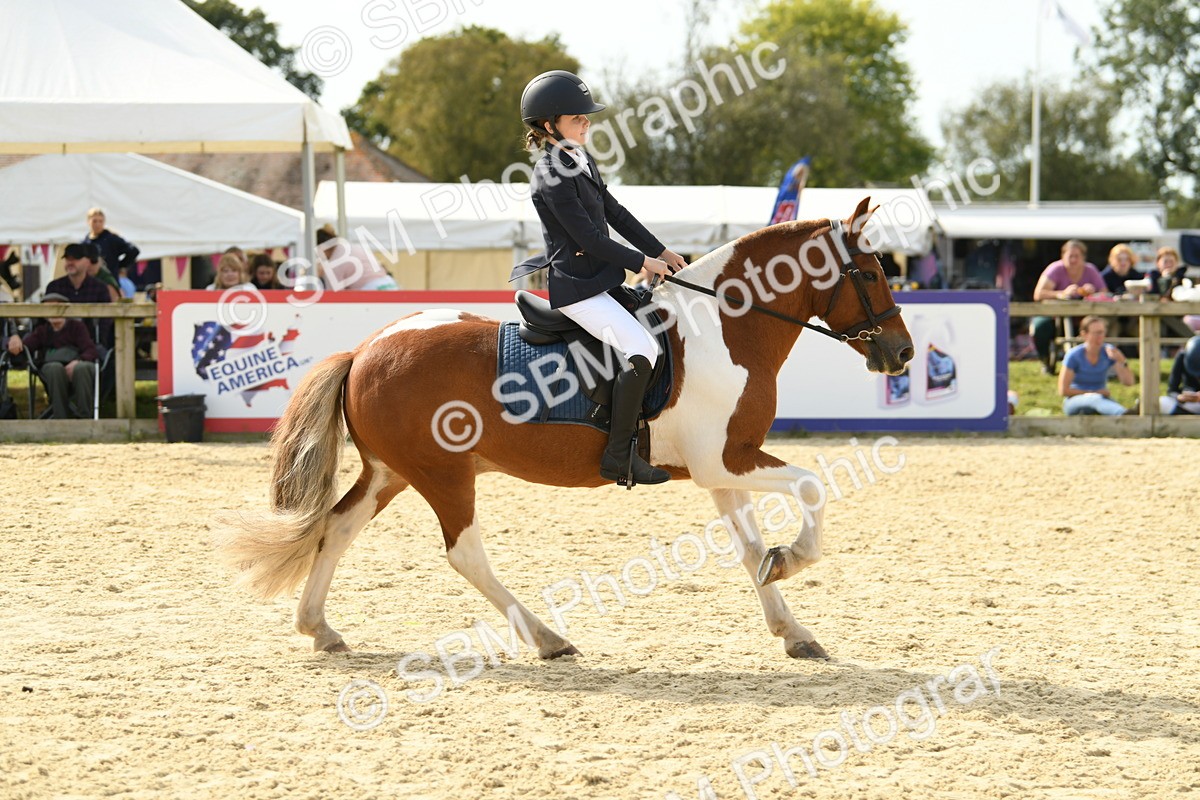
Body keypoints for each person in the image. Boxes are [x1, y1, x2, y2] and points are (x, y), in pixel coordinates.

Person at [513, 70, 688, 486]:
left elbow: (615, 213)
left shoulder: (579, 158)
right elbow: (589, 239)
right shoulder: (550, 174)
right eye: (578, 118)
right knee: (642, 349)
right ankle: (617, 456)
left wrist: (661, 250)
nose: (586, 123)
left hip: (601, 281)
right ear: (548, 125)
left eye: (587, 118)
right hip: (577, 289)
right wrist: (643, 262)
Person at [6, 293, 99, 418]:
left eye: (58, 307)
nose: (54, 312)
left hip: (78, 366)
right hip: (52, 370)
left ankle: (85, 418)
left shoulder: (77, 327)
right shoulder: (42, 331)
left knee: (82, 368)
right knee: (54, 368)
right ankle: (60, 419)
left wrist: (78, 361)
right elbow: (22, 349)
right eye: (49, 308)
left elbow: (91, 350)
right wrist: (14, 339)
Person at [1030, 240, 1106, 374]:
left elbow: (1105, 294)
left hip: (1083, 319)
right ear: (1063, 256)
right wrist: (1062, 294)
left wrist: (1093, 292)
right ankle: (1046, 362)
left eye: (1077, 256)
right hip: (1055, 317)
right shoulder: (1055, 269)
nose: (1073, 260)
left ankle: (1096, 365)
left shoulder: (1090, 270)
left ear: (1083, 257)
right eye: (1070, 256)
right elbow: (1038, 294)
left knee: (1100, 326)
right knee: (1039, 326)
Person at [1058, 315, 1135, 415]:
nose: (1101, 336)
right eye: (1096, 333)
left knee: (1104, 401)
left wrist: (1121, 361)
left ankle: (1127, 415)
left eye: (1102, 332)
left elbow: (1129, 382)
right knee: (1096, 399)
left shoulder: (1108, 352)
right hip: (1074, 400)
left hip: (1101, 398)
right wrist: (1092, 393)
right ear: (1084, 334)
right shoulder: (1074, 355)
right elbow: (1063, 390)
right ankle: (1124, 414)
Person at [46, 244, 113, 347]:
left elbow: (106, 322)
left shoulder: (100, 288)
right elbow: (45, 319)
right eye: (67, 259)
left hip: (90, 344)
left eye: (75, 259)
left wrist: (98, 344)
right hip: (59, 344)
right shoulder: (53, 287)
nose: (70, 263)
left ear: (87, 261)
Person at [315, 226, 399, 290]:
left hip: (371, 290)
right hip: (389, 284)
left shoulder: (335, 261)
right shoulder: (352, 247)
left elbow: (332, 294)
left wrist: (322, 274)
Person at [82, 208, 139, 283]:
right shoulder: (85, 242)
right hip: (90, 282)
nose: (97, 224)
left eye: (100, 221)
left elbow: (133, 251)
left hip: (109, 281)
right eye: (94, 221)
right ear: (88, 221)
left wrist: (119, 266)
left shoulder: (111, 238)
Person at [1160, 335, 1200, 415]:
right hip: (1188, 405)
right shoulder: (1182, 357)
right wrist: (1179, 397)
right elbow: (1172, 390)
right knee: (1162, 402)